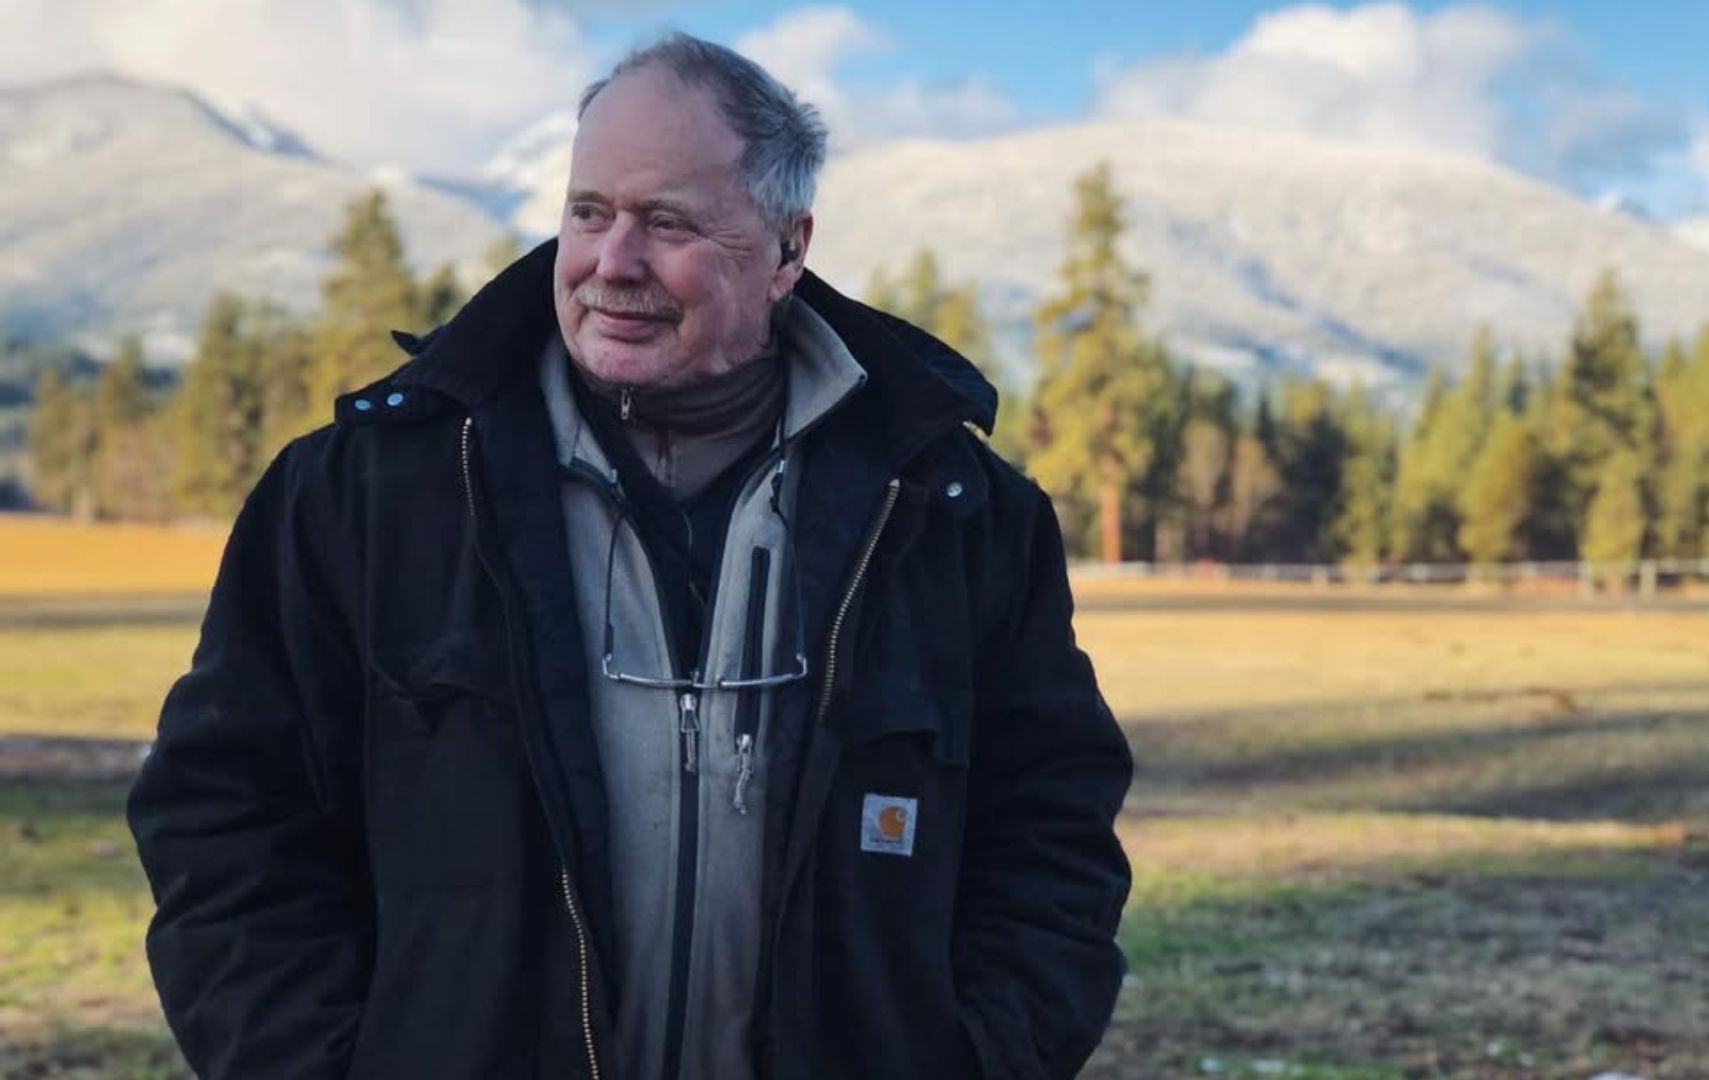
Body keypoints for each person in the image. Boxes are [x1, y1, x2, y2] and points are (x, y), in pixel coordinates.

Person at [127, 31, 1132, 1080]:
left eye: (668, 222)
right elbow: (224, 823)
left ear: (788, 249)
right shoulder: (363, 497)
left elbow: (1051, 834)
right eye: (589, 212)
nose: (614, 262)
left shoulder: (954, 514)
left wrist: (980, 1057)